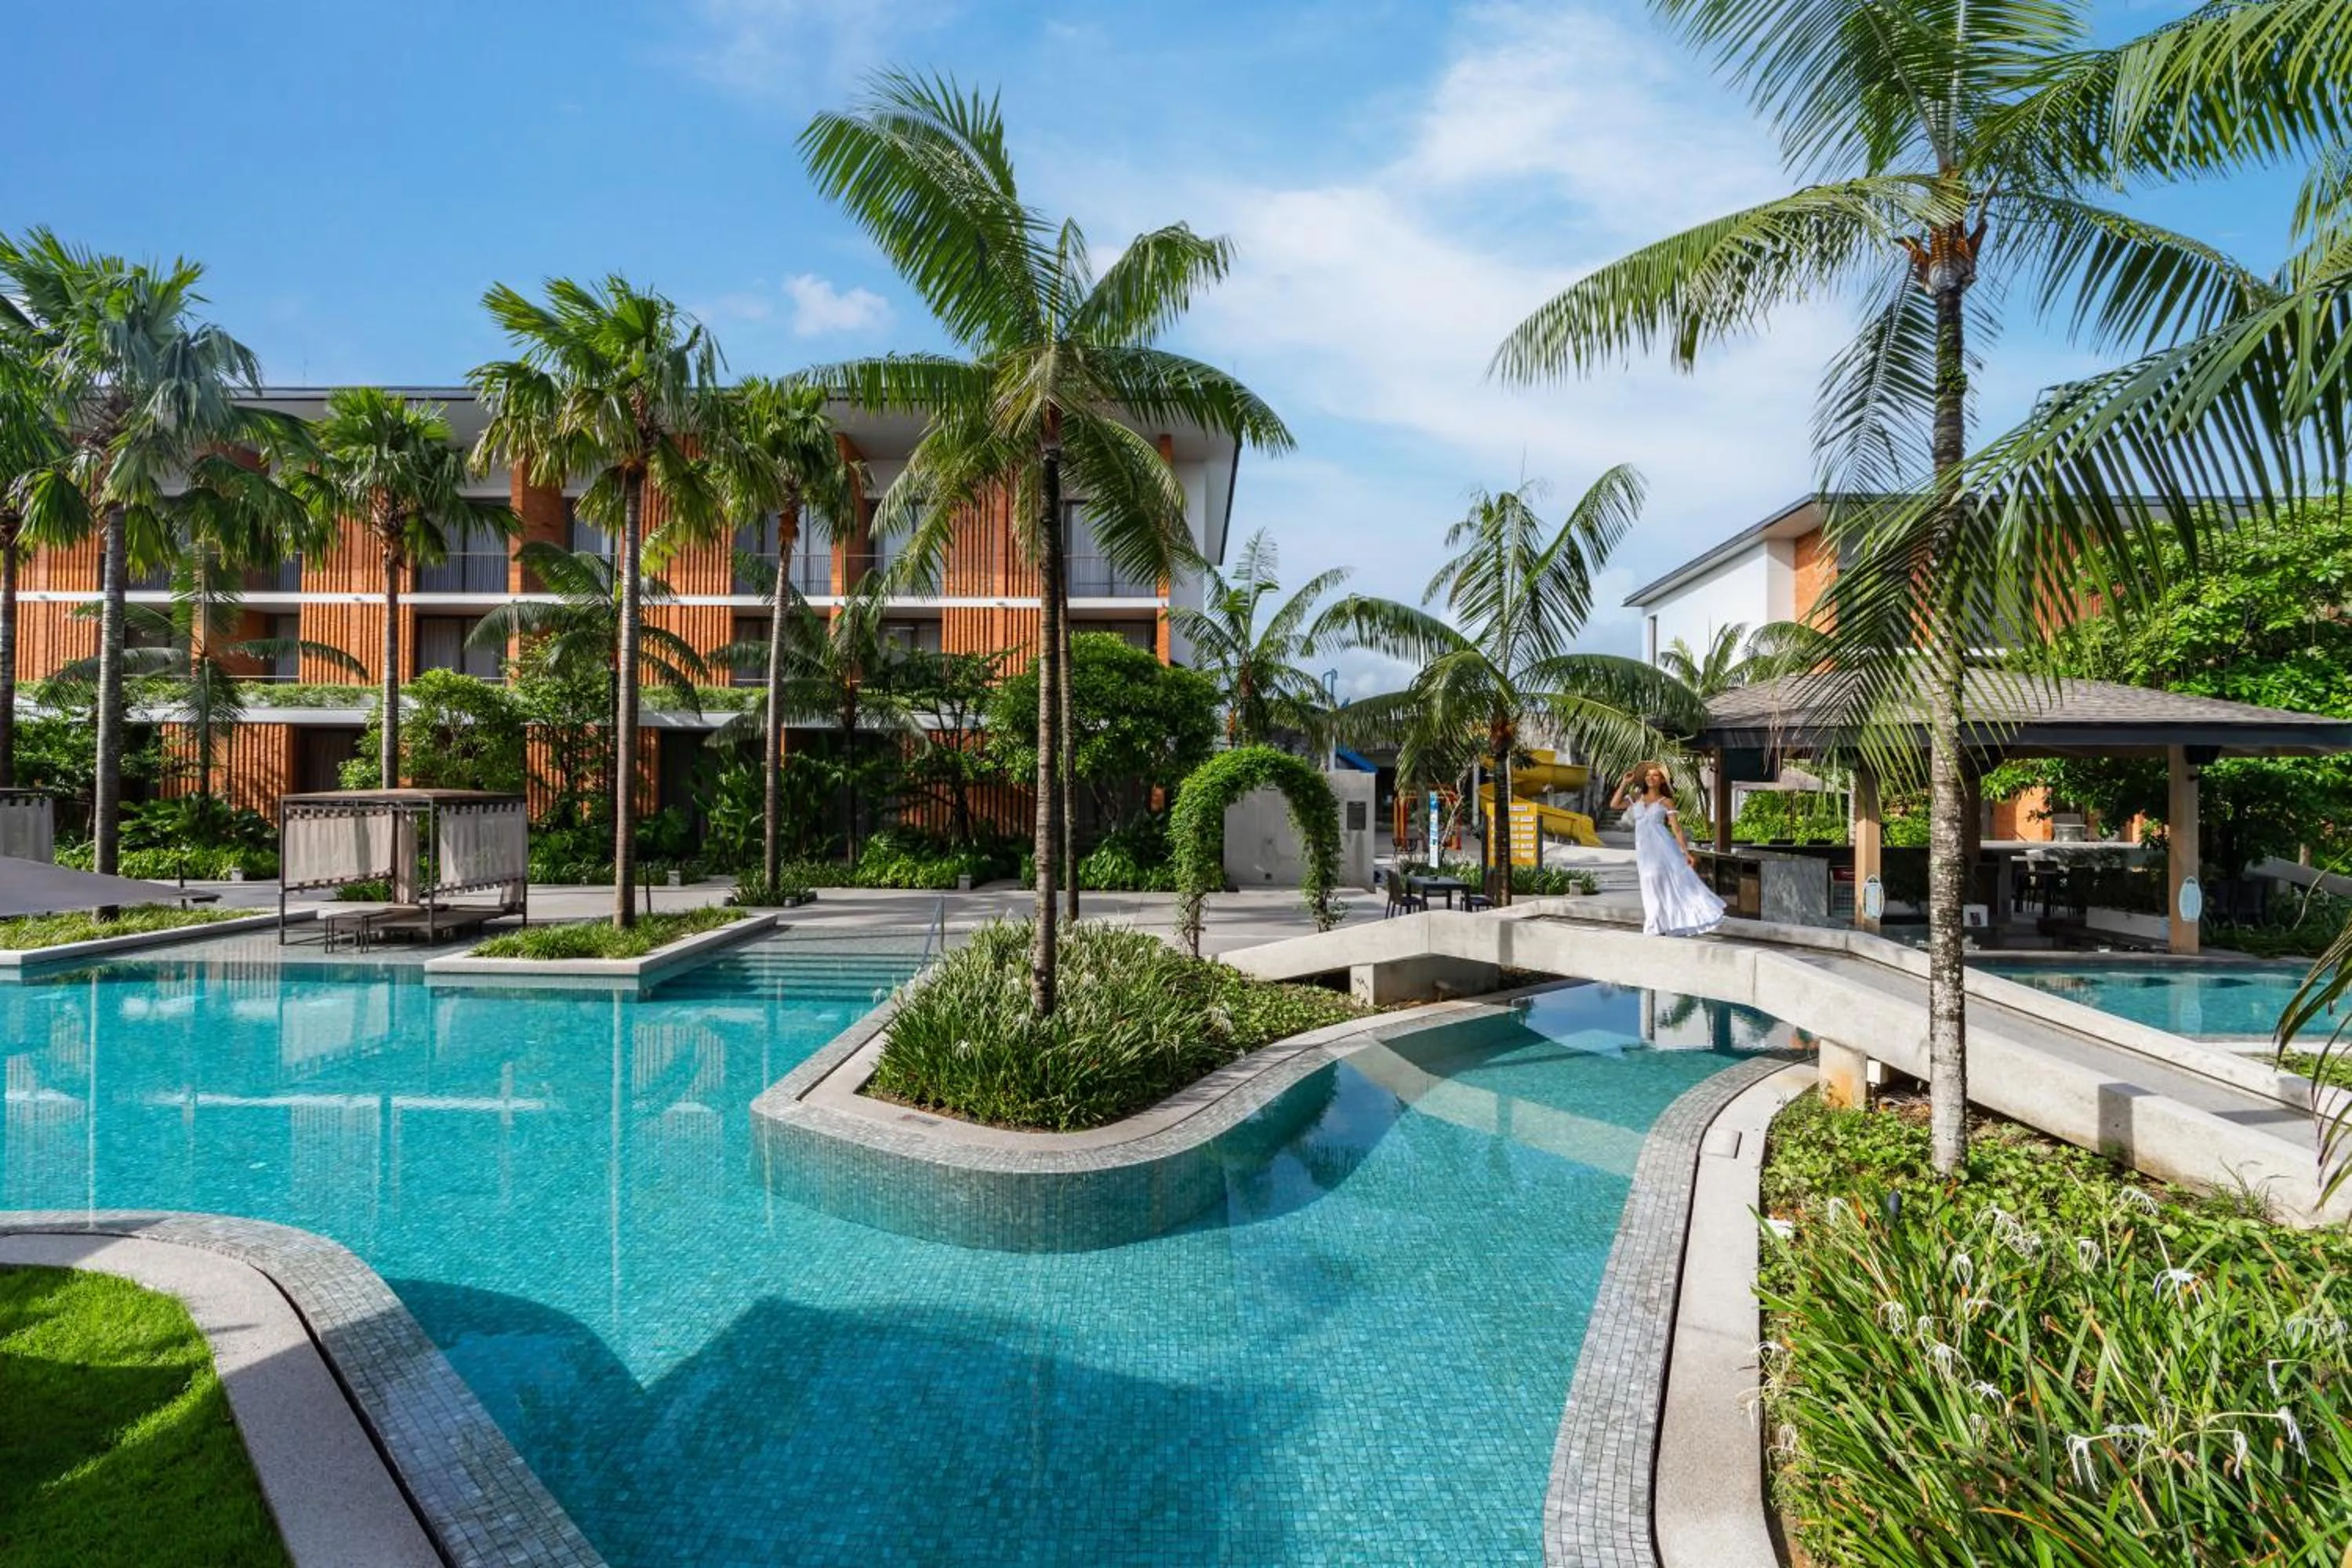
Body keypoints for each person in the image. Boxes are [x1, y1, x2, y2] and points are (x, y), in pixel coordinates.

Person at [1610, 760, 1726, 938]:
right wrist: (1625, 783)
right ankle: (1659, 922)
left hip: (1663, 848)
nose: (1651, 778)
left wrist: (1685, 852)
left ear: (1662, 780)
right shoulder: (1636, 796)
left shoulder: (1667, 802)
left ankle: (1655, 924)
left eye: (1655, 775)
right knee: (1649, 883)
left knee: (1659, 881)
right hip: (1644, 851)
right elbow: (1614, 805)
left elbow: (1676, 829)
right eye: (1648, 775)